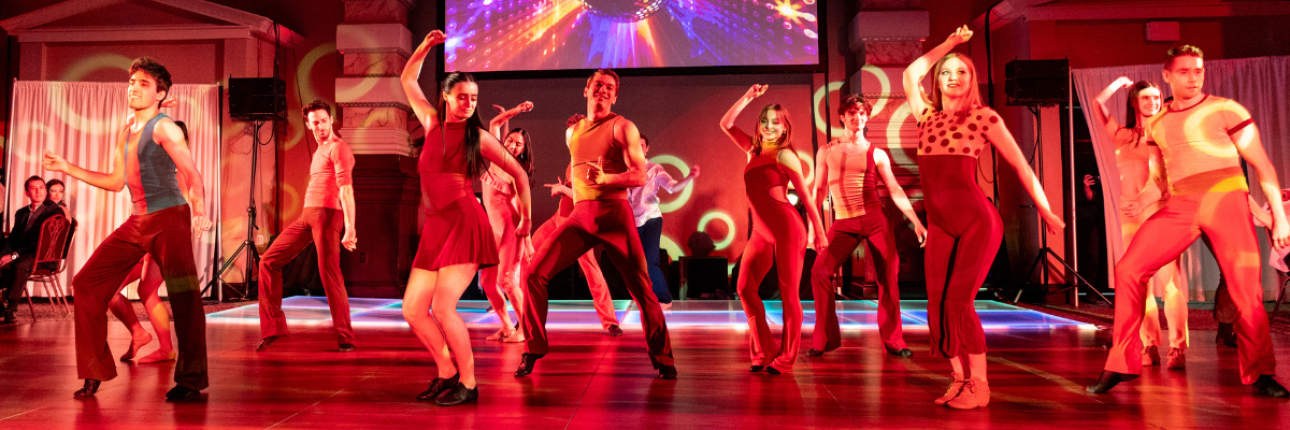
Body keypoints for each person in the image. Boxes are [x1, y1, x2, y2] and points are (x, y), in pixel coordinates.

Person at [1087, 45, 1289, 398]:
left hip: (1226, 200)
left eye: (1198, 70)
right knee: (1128, 269)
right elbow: (1158, 176)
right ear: (1167, 75)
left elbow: (1263, 166)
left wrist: (1278, 219)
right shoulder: (1158, 122)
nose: (1193, 78)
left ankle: (1260, 374)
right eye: (1184, 72)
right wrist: (1141, 201)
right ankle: (1121, 364)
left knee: (1246, 292)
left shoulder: (1225, 109)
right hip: (1181, 203)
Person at [903, 26, 1064, 410]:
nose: (953, 77)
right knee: (938, 303)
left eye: (961, 71)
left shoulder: (984, 117)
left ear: (971, 80)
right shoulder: (925, 116)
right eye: (946, 72)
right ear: (938, 80)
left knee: (959, 302)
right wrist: (949, 44)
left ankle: (981, 384)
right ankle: (958, 379)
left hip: (977, 221)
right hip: (941, 223)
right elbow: (910, 75)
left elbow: (1021, 168)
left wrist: (1045, 209)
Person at [43, 57, 213, 400]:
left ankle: (191, 380)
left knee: (184, 296)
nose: (134, 87)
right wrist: (66, 167)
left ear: (161, 94)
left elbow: (192, 175)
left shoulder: (165, 127)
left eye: (144, 84)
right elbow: (115, 181)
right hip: (138, 222)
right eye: (132, 82)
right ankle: (94, 371)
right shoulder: (126, 131)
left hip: (170, 220)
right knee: (86, 284)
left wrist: (199, 210)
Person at [514, 69, 677, 379]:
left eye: (610, 88)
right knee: (534, 272)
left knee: (642, 290)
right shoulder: (574, 132)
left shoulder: (623, 126)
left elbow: (640, 176)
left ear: (615, 96)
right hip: (581, 215)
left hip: (615, 216)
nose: (603, 90)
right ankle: (532, 348)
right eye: (598, 85)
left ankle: (663, 358)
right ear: (586, 90)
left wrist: (608, 179)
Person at [400, 30, 533, 406]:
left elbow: (520, 175)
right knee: (413, 309)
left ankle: (470, 383)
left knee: (443, 307)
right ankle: (446, 369)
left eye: (473, 98)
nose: (469, 104)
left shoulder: (478, 137)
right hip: (435, 225)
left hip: (463, 222)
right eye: (462, 97)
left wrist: (526, 221)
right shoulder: (430, 123)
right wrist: (425, 48)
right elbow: (407, 80)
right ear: (445, 97)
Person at [808, 95, 927, 359]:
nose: (857, 117)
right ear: (842, 117)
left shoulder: (877, 153)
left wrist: (916, 222)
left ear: (867, 117)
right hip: (843, 222)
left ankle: (894, 340)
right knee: (819, 272)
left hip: (875, 219)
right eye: (852, 112)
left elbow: (894, 189)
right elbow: (816, 191)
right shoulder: (827, 151)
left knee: (889, 276)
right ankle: (824, 338)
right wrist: (814, 229)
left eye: (862, 113)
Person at [720, 84, 827, 374]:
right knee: (744, 288)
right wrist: (747, 97)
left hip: (788, 229)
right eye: (764, 121)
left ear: (784, 128)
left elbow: (805, 196)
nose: (768, 126)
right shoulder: (752, 150)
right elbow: (726, 123)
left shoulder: (785, 155)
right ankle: (764, 351)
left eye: (775, 122)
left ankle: (786, 359)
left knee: (789, 293)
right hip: (761, 233)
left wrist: (819, 232)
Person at [1090, 77, 1188, 369]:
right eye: (1146, 98)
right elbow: (1097, 104)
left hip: (1164, 212)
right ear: (1134, 102)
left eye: (1157, 98)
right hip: (1132, 215)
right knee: (1140, 284)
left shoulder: (1168, 135)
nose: (1153, 103)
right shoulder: (1123, 135)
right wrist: (1117, 83)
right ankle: (1149, 345)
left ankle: (1178, 349)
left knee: (1171, 284)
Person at [255, 100, 359, 352]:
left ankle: (346, 336)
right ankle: (274, 329)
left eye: (324, 121)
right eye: (315, 123)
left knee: (329, 274)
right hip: (307, 216)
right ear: (308, 125)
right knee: (268, 261)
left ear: (331, 120)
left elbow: (346, 190)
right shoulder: (320, 150)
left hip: (327, 215)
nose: (320, 126)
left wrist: (350, 227)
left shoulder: (339, 148)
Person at [529, 113, 627, 337]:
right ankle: (525, 314)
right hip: (559, 216)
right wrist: (565, 188)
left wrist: (564, 190)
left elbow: (590, 196)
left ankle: (610, 321)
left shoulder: (593, 160)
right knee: (530, 252)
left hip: (577, 221)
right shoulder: (573, 159)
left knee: (591, 269)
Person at [103, 120, 191, 364]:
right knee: (111, 289)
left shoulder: (179, 168)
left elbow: (181, 203)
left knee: (145, 290)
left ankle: (164, 347)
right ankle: (140, 333)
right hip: (144, 235)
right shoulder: (152, 164)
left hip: (163, 236)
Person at [476, 101, 536, 342]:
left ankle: (527, 330)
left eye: (517, 144)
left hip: (511, 229)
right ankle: (507, 327)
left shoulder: (516, 171)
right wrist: (517, 109)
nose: (512, 145)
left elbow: (523, 209)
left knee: (507, 280)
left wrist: (528, 240)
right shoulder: (495, 158)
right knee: (488, 282)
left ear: (523, 150)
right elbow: (494, 123)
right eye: (509, 140)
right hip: (493, 231)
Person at [626, 134, 700, 308]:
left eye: (642, 145)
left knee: (651, 262)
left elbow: (673, 187)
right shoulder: (626, 171)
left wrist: (689, 177)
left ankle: (665, 299)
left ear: (647, 148)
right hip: (632, 221)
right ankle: (645, 297)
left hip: (652, 219)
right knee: (635, 264)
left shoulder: (654, 169)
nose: (639, 148)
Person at [0, 176, 61, 324]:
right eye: (33, 188)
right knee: (7, 264)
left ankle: (11, 308)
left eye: (41, 187)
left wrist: (14, 255)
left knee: (19, 264)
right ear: (27, 193)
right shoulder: (22, 213)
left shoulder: (53, 211)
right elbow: (13, 237)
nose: (38, 192)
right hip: (22, 254)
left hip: (42, 256)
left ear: (45, 190)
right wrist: (4, 254)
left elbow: (40, 242)